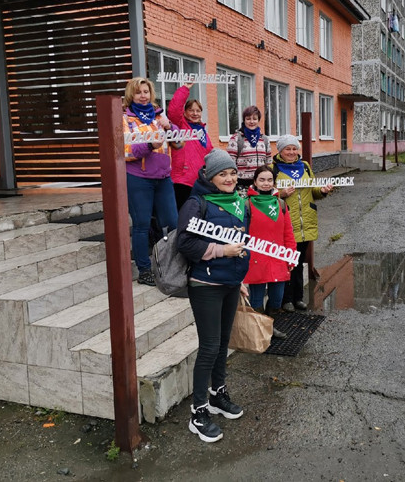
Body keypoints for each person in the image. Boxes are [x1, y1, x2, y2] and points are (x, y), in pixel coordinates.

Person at [176, 149, 250, 443]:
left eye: (232, 173)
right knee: (209, 347)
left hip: (230, 283)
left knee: (222, 344)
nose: (230, 178)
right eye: (223, 174)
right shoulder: (196, 203)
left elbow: (243, 242)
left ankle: (218, 395)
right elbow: (185, 242)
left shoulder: (239, 202)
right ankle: (198, 413)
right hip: (205, 285)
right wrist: (220, 250)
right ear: (210, 177)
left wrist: (239, 278)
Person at [123, 77, 182, 286]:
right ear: (132, 94)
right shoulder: (126, 119)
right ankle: (144, 270)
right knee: (141, 225)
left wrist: (170, 127)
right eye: (139, 92)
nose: (143, 95)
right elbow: (125, 151)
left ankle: (172, 264)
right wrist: (149, 145)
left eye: (146, 92)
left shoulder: (159, 115)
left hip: (163, 177)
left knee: (173, 223)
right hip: (139, 178)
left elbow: (179, 143)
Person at [273, 134, 333, 312]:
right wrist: (280, 194)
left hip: (306, 221)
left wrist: (321, 190)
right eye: (287, 149)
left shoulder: (305, 166)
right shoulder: (273, 169)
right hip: (287, 222)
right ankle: (286, 299)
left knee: (298, 261)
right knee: (286, 262)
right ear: (280, 151)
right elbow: (266, 194)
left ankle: (298, 298)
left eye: (294, 148)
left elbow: (312, 190)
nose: (291, 152)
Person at [244, 165, 296, 339]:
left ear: (274, 182)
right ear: (255, 182)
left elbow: (288, 233)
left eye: (269, 180)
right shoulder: (246, 205)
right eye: (262, 180)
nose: (266, 183)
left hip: (278, 259)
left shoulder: (281, 204)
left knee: (276, 299)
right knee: (256, 300)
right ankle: (258, 333)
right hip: (256, 260)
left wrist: (291, 257)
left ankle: (269, 327)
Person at [167, 82, 213, 210]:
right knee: (182, 216)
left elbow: (210, 153)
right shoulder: (180, 126)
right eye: (191, 110)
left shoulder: (202, 131)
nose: (195, 113)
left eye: (198, 110)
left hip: (200, 182)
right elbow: (174, 110)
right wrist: (185, 89)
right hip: (182, 181)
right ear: (185, 113)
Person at [226, 105, 272, 196]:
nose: (251, 122)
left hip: (261, 185)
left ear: (258, 120)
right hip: (242, 185)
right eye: (248, 119)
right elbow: (230, 164)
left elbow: (268, 162)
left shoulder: (265, 139)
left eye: (254, 119)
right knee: (245, 209)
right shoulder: (237, 139)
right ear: (244, 120)